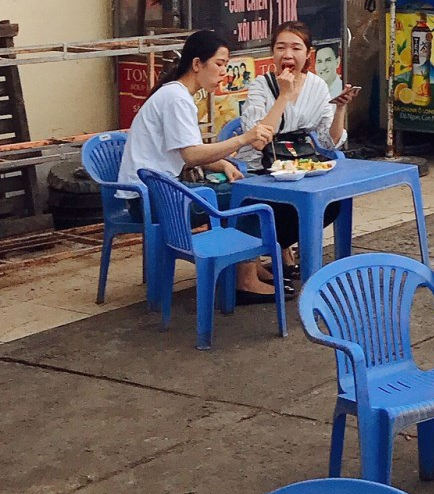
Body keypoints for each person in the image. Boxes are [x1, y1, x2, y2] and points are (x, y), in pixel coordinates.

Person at [118, 29, 277, 299]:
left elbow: (184, 153)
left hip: (154, 195)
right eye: (219, 64)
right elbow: (192, 156)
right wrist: (244, 138)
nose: (224, 72)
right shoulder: (176, 98)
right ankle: (245, 279)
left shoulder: (175, 94)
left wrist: (223, 165)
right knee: (250, 195)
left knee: (244, 185)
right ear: (196, 64)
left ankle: (246, 266)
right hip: (153, 201)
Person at [239, 22, 361, 273]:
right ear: (272, 53)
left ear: (308, 54)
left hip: (299, 165)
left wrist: (340, 108)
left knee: (331, 204)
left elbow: (328, 142)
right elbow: (258, 140)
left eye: (295, 48)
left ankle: (281, 247)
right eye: (280, 47)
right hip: (260, 168)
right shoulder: (261, 85)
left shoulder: (317, 86)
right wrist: (283, 95)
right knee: (281, 206)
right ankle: (271, 253)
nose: (287, 54)